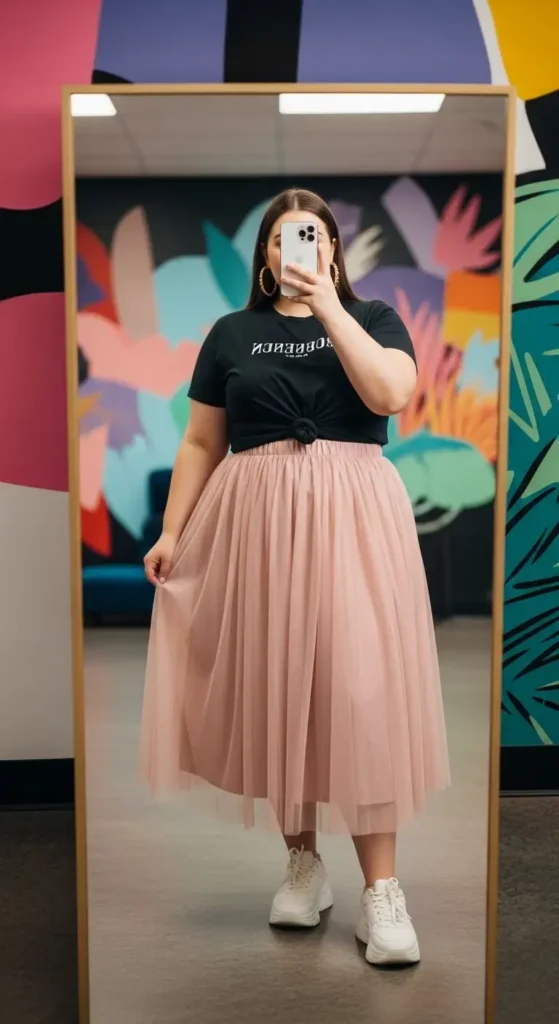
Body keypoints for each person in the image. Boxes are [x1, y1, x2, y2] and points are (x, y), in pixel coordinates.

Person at [139, 187, 450, 967]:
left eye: (310, 236)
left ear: (332, 251)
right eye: (283, 240)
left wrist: (329, 308)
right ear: (265, 255)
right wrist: (174, 530)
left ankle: (380, 891)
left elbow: (389, 393)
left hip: (354, 519)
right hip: (258, 524)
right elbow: (201, 444)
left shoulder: (373, 318)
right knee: (282, 689)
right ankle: (304, 865)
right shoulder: (230, 332)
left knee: (361, 689)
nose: (296, 250)